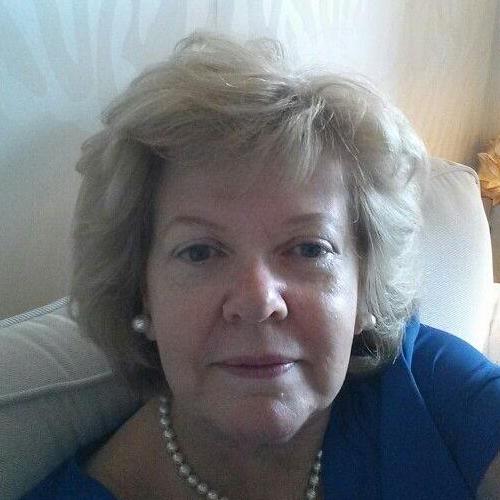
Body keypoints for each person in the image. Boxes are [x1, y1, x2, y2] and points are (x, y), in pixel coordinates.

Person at [23, 32, 499, 500]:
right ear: (141, 292)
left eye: (309, 249)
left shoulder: (426, 385)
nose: (257, 301)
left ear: (363, 286)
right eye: (200, 252)